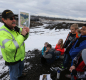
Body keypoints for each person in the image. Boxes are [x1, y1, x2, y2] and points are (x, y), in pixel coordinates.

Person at [0, 9, 29, 80]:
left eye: (14, 18)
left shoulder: (16, 28)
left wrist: (26, 33)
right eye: (11, 18)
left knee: (20, 69)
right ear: (4, 20)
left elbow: (23, 38)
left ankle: (20, 75)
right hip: (12, 60)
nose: (13, 20)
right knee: (14, 75)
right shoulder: (2, 32)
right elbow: (11, 47)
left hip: (20, 56)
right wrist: (22, 35)